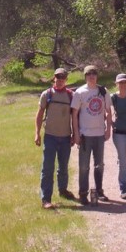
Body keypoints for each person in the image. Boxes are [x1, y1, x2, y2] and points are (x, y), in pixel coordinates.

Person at [35, 67, 76, 209]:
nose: (60, 81)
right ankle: (46, 199)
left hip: (65, 137)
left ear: (66, 80)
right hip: (50, 137)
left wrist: (74, 135)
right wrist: (37, 133)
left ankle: (63, 190)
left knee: (63, 167)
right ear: (54, 78)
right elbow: (39, 114)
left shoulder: (71, 95)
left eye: (62, 78)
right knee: (47, 168)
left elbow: (75, 117)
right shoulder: (47, 94)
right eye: (58, 78)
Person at [71, 65, 112, 205]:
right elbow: (74, 114)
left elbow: (108, 111)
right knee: (84, 166)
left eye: (94, 73)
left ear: (97, 76)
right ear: (85, 76)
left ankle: (99, 191)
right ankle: (83, 193)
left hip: (99, 134)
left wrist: (108, 130)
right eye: (88, 74)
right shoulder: (80, 92)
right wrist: (76, 133)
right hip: (85, 135)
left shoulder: (103, 91)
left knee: (99, 164)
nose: (91, 76)